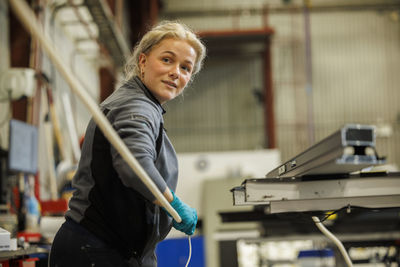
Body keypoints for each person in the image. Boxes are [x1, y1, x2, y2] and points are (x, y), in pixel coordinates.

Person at [49, 21, 206, 267]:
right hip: (96, 250)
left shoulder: (144, 105)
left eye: (186, 67)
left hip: (110, 249)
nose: (177, 72)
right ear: (142, 62)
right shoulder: (136, 106)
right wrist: (173, 203)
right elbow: (134, 165)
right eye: (167, 60)